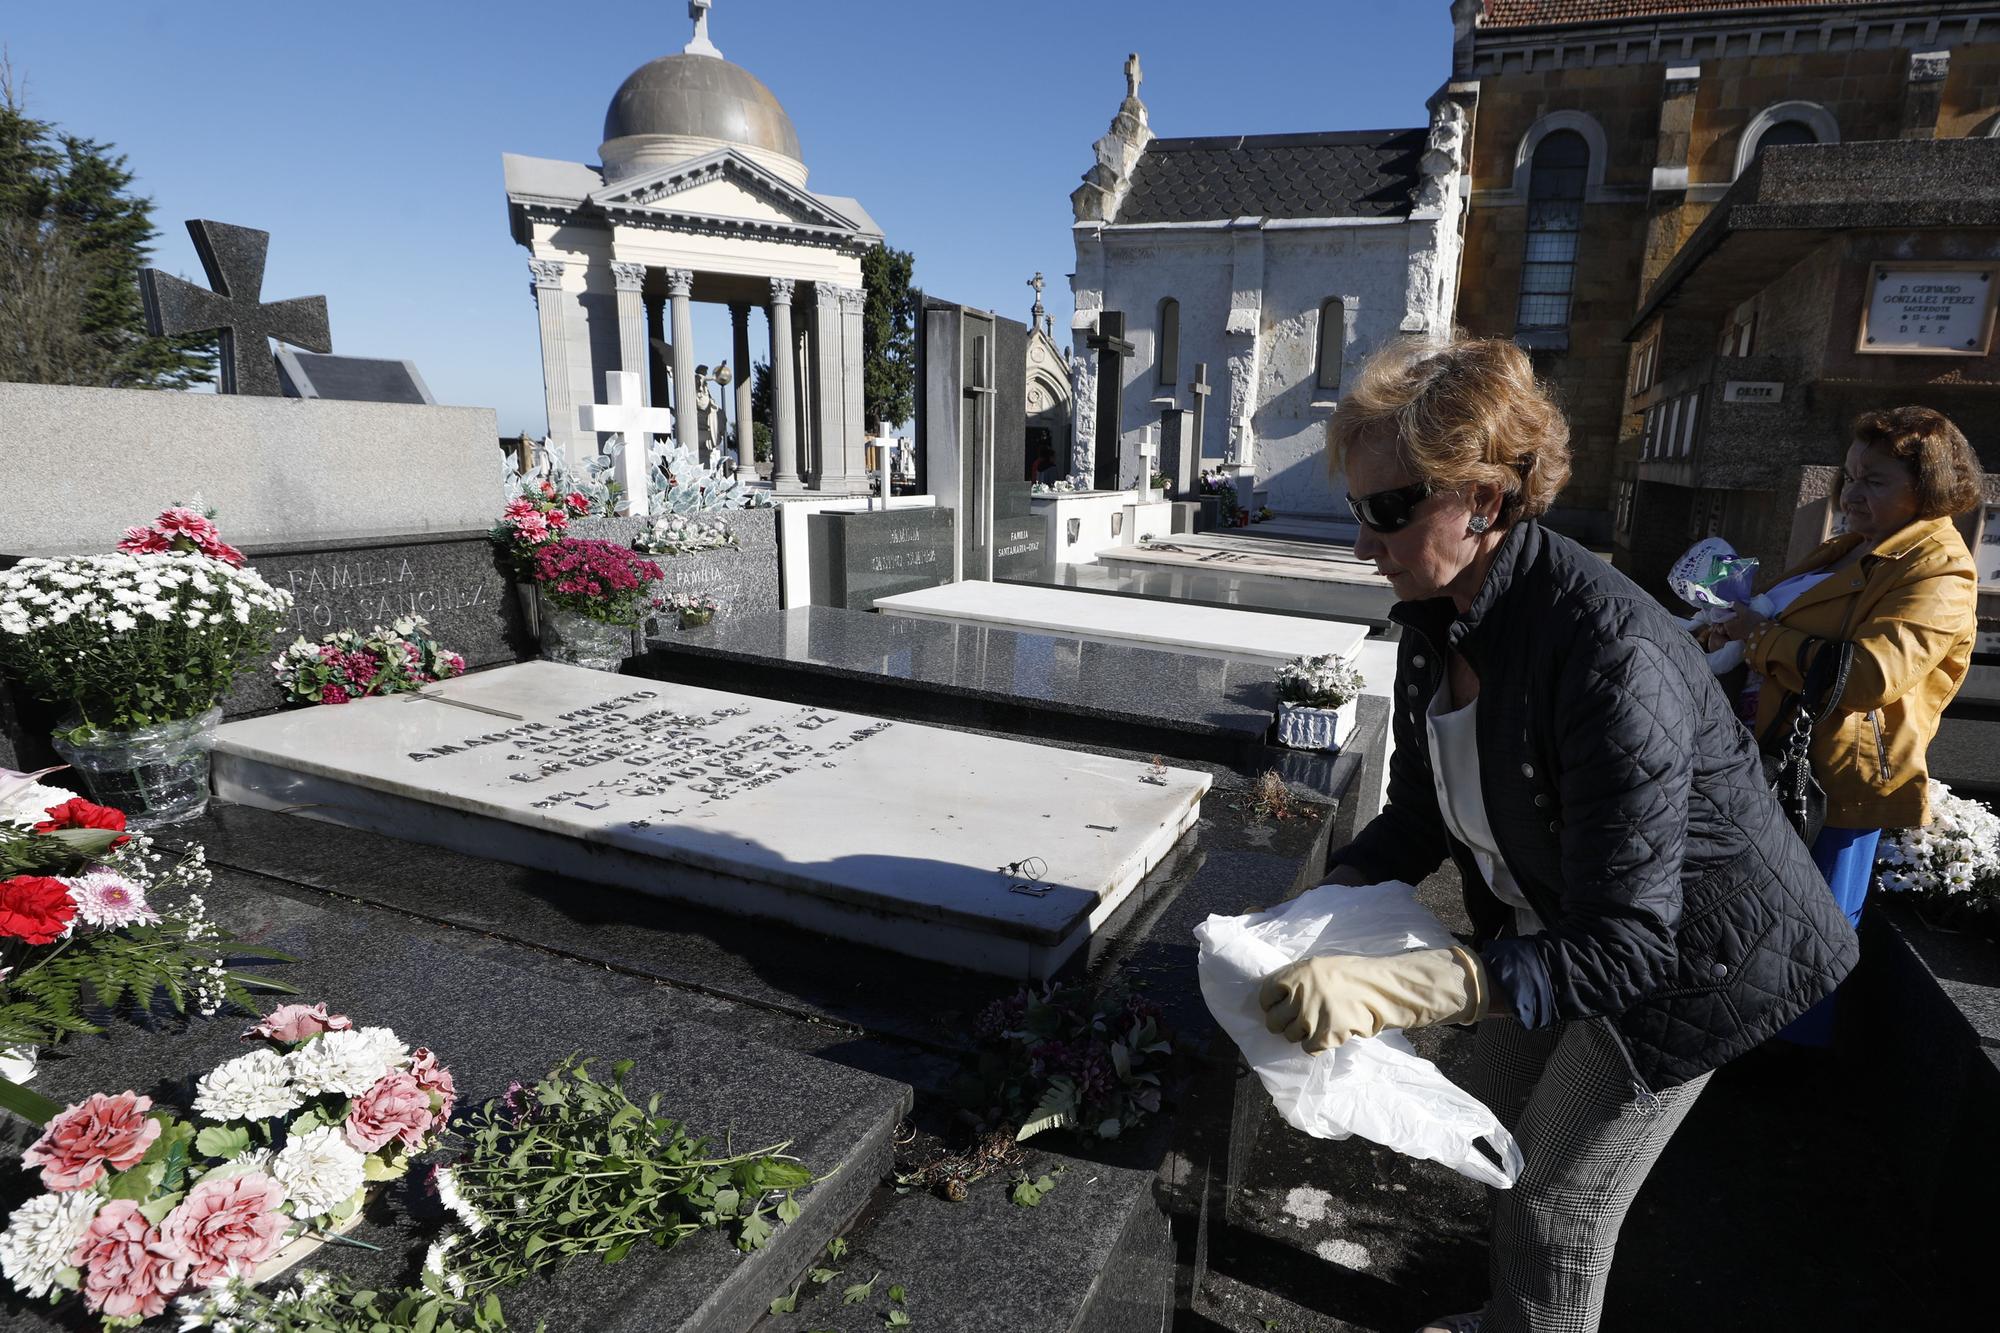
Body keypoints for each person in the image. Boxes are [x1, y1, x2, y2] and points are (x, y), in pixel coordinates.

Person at [1257, 335, 1859, 1333]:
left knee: (1552, 1201)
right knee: (1482, 1120)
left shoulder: (1603, 652)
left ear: (1484, 499)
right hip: (1570, 924)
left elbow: (1629, 943)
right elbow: (1417, 813)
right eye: (1355, 508)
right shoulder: (1437, 619)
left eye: (1386, 509)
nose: (1362, 540)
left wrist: (1409, 982)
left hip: (1692, 959)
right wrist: (1308, 916)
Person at [1719, 406, 1980, 1044]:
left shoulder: (1939, 569)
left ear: (1929, 487)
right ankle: (1740, 1043)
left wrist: (1759, 637)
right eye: (1850, 475)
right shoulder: (1854, 545)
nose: (1852, 492)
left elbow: (1863, 677)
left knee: (1813, 935)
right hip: (1776, 755)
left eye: (1875, 480)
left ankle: (1795, 1070)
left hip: (1835, 781)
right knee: (1759, 920)